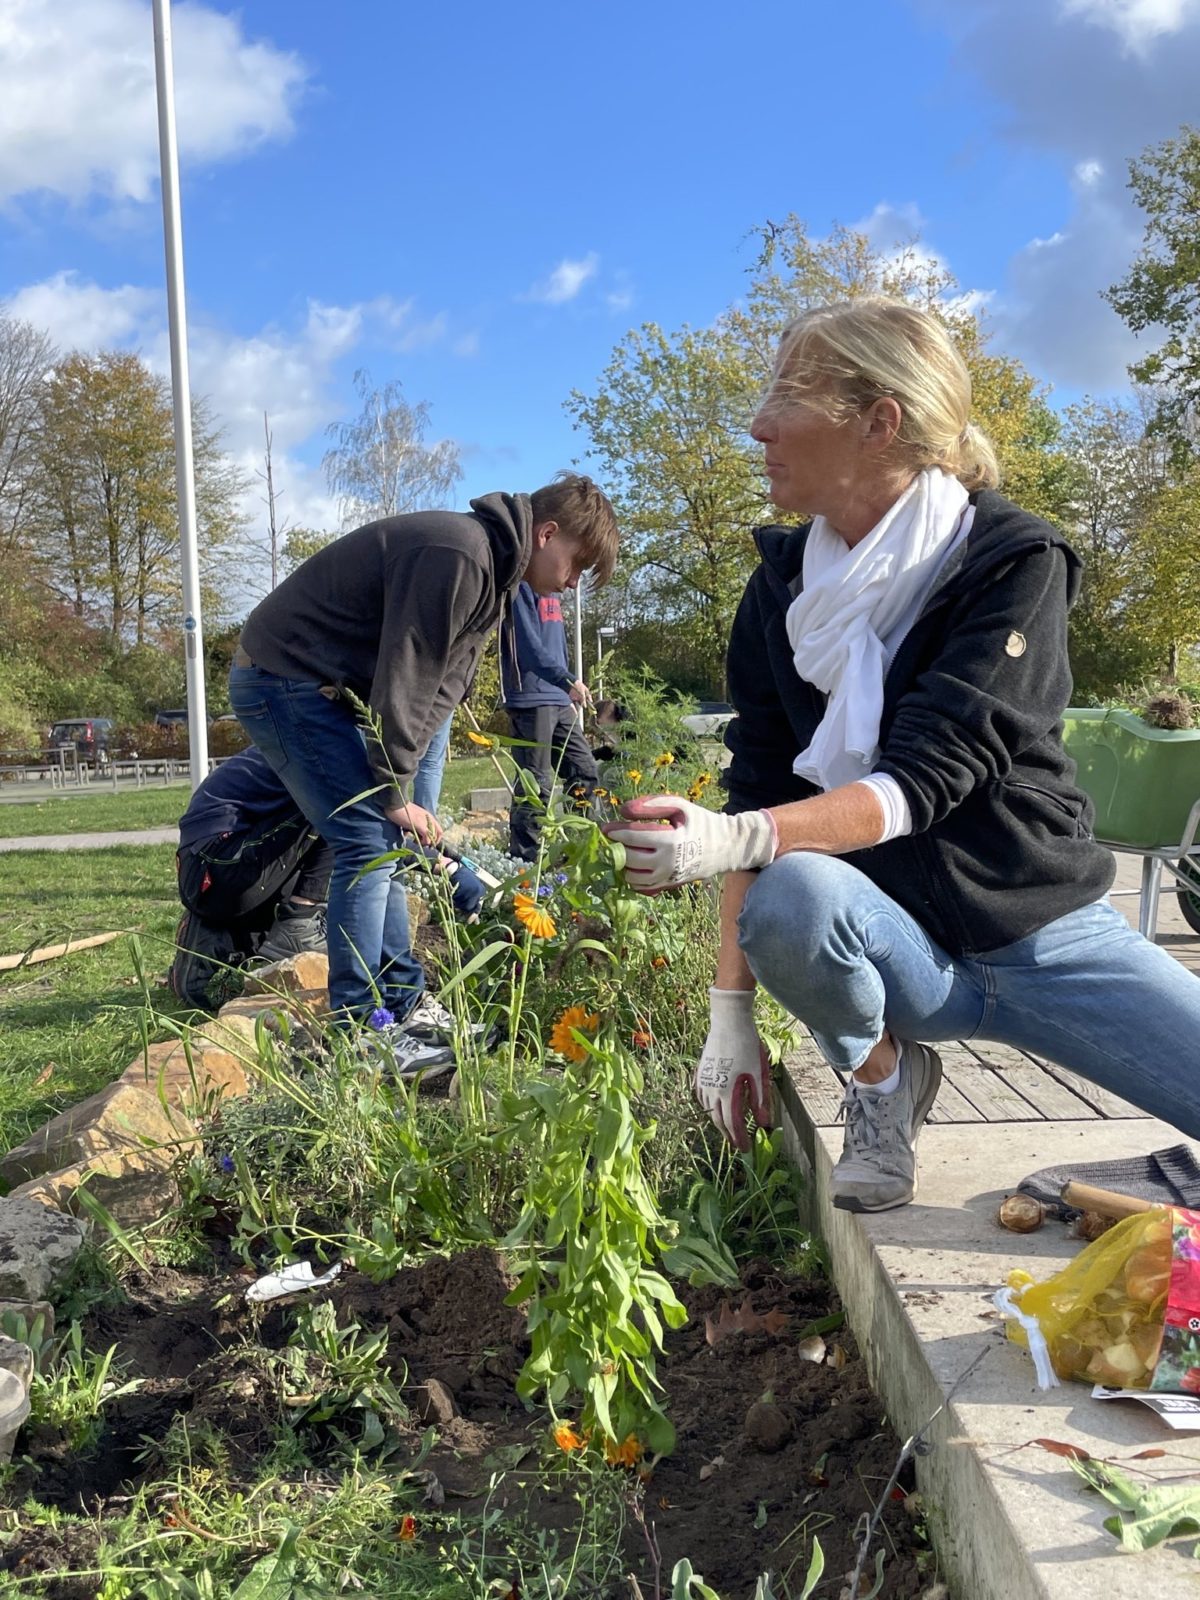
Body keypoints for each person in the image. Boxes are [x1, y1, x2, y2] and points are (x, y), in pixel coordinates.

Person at [606, 297, 1200, 1214]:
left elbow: (928, 776)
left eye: (788, 395)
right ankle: (884, 1081)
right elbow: (758, 790)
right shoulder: (780, 592)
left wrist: (729, 838)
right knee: (791, 896)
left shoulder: (1010, 561)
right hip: (900, 950)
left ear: (879, 420)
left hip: (1045, 934)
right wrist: (730, 1017)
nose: (758, 422)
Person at [228, 473, 618, 1071]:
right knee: (365, 842)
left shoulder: (495, 574)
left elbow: (443, 690)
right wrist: (391, 791)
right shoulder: (458, 554)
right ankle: (363, 1036)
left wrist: (402, 796)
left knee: (385, 842)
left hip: (317, 687)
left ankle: (404, 1006)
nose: (569, 585)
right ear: (547, 533)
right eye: (575, 566)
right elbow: (404, 678)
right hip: (283, 677)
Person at [169, 747, 332, 1011]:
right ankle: (300, 924)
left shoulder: (297, 733)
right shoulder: (321, 746)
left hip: (216, 869)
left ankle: (212, 937)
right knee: (341, 802)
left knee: (321, 870)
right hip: (217, 863)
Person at [501, 581, 598, 860]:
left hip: (559, 697)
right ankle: (527, 860)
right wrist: (566, 680)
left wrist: (567, 686)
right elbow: (529, 648)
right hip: (531, 697)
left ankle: (579, 847)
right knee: (536, 784)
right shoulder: (521, 586)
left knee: (584, 770)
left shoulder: (552, 588)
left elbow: (556, 646)